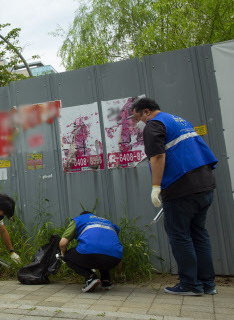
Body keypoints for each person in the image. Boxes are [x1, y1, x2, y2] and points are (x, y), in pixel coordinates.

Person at [132, 98, 218, 296]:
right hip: (204, 184)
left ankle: (190, 284)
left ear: (146, 112)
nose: (139, 122)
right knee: (199, 234)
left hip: (182, 187)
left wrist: (156, 186)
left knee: (179, 235)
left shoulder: (153, 125)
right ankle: (207, 284)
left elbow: (158, 156)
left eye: (138, 118)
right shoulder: (178, 120)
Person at [59, 211, 123, 292]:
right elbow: (115, 247)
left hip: (91, 255)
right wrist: (118, 273)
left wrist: (64, 255)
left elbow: (62, 244)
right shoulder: (107, 222)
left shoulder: (78, 219)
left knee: (68, 255)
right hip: (114, 258)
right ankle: (106, 280)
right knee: (103, 251)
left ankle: (90, 277)